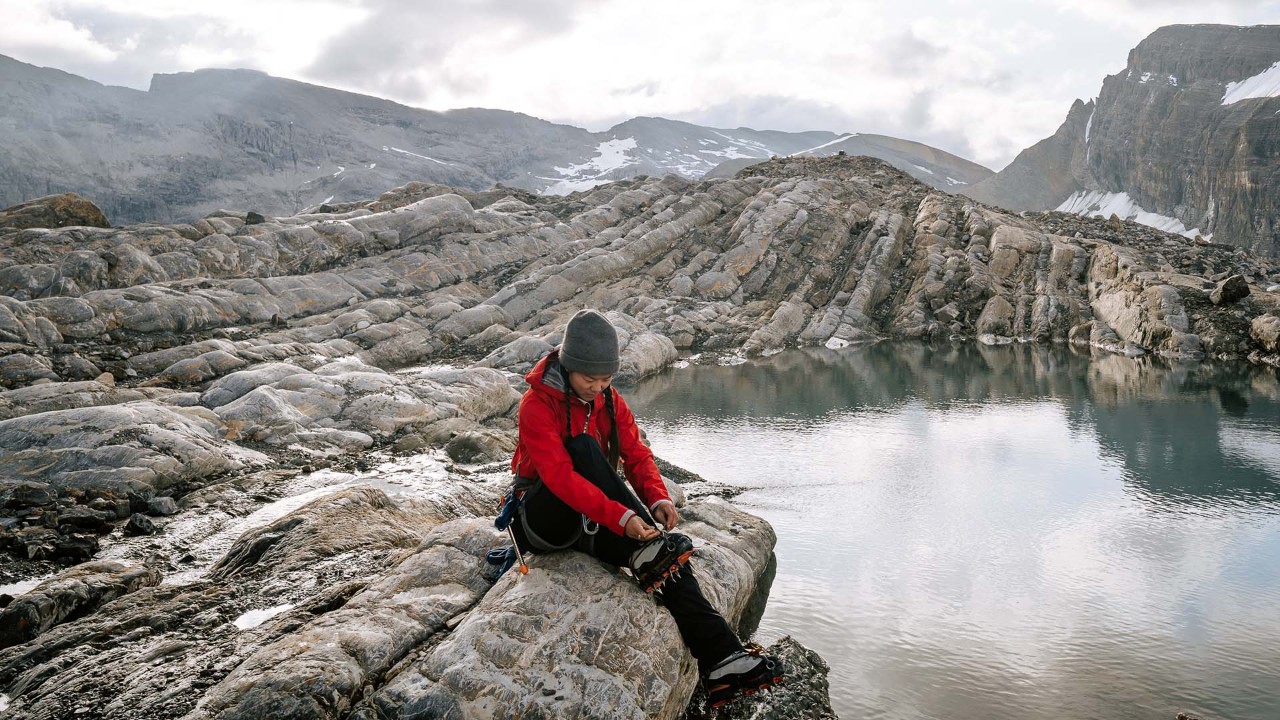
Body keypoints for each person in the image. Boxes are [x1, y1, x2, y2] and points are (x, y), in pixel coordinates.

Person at [505, 308, 784, 708]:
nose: (598, 388)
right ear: (568, 366)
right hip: (541, 520)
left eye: (606, 379)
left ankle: (722, 658)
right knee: (584, 449)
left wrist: (657, 498)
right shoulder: (536, 404)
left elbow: (635, 453)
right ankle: (649, 547)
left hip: (590, 518)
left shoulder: (607, 399)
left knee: (664, 561)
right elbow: (559, 478)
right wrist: (623, 517)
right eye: (589, 379)